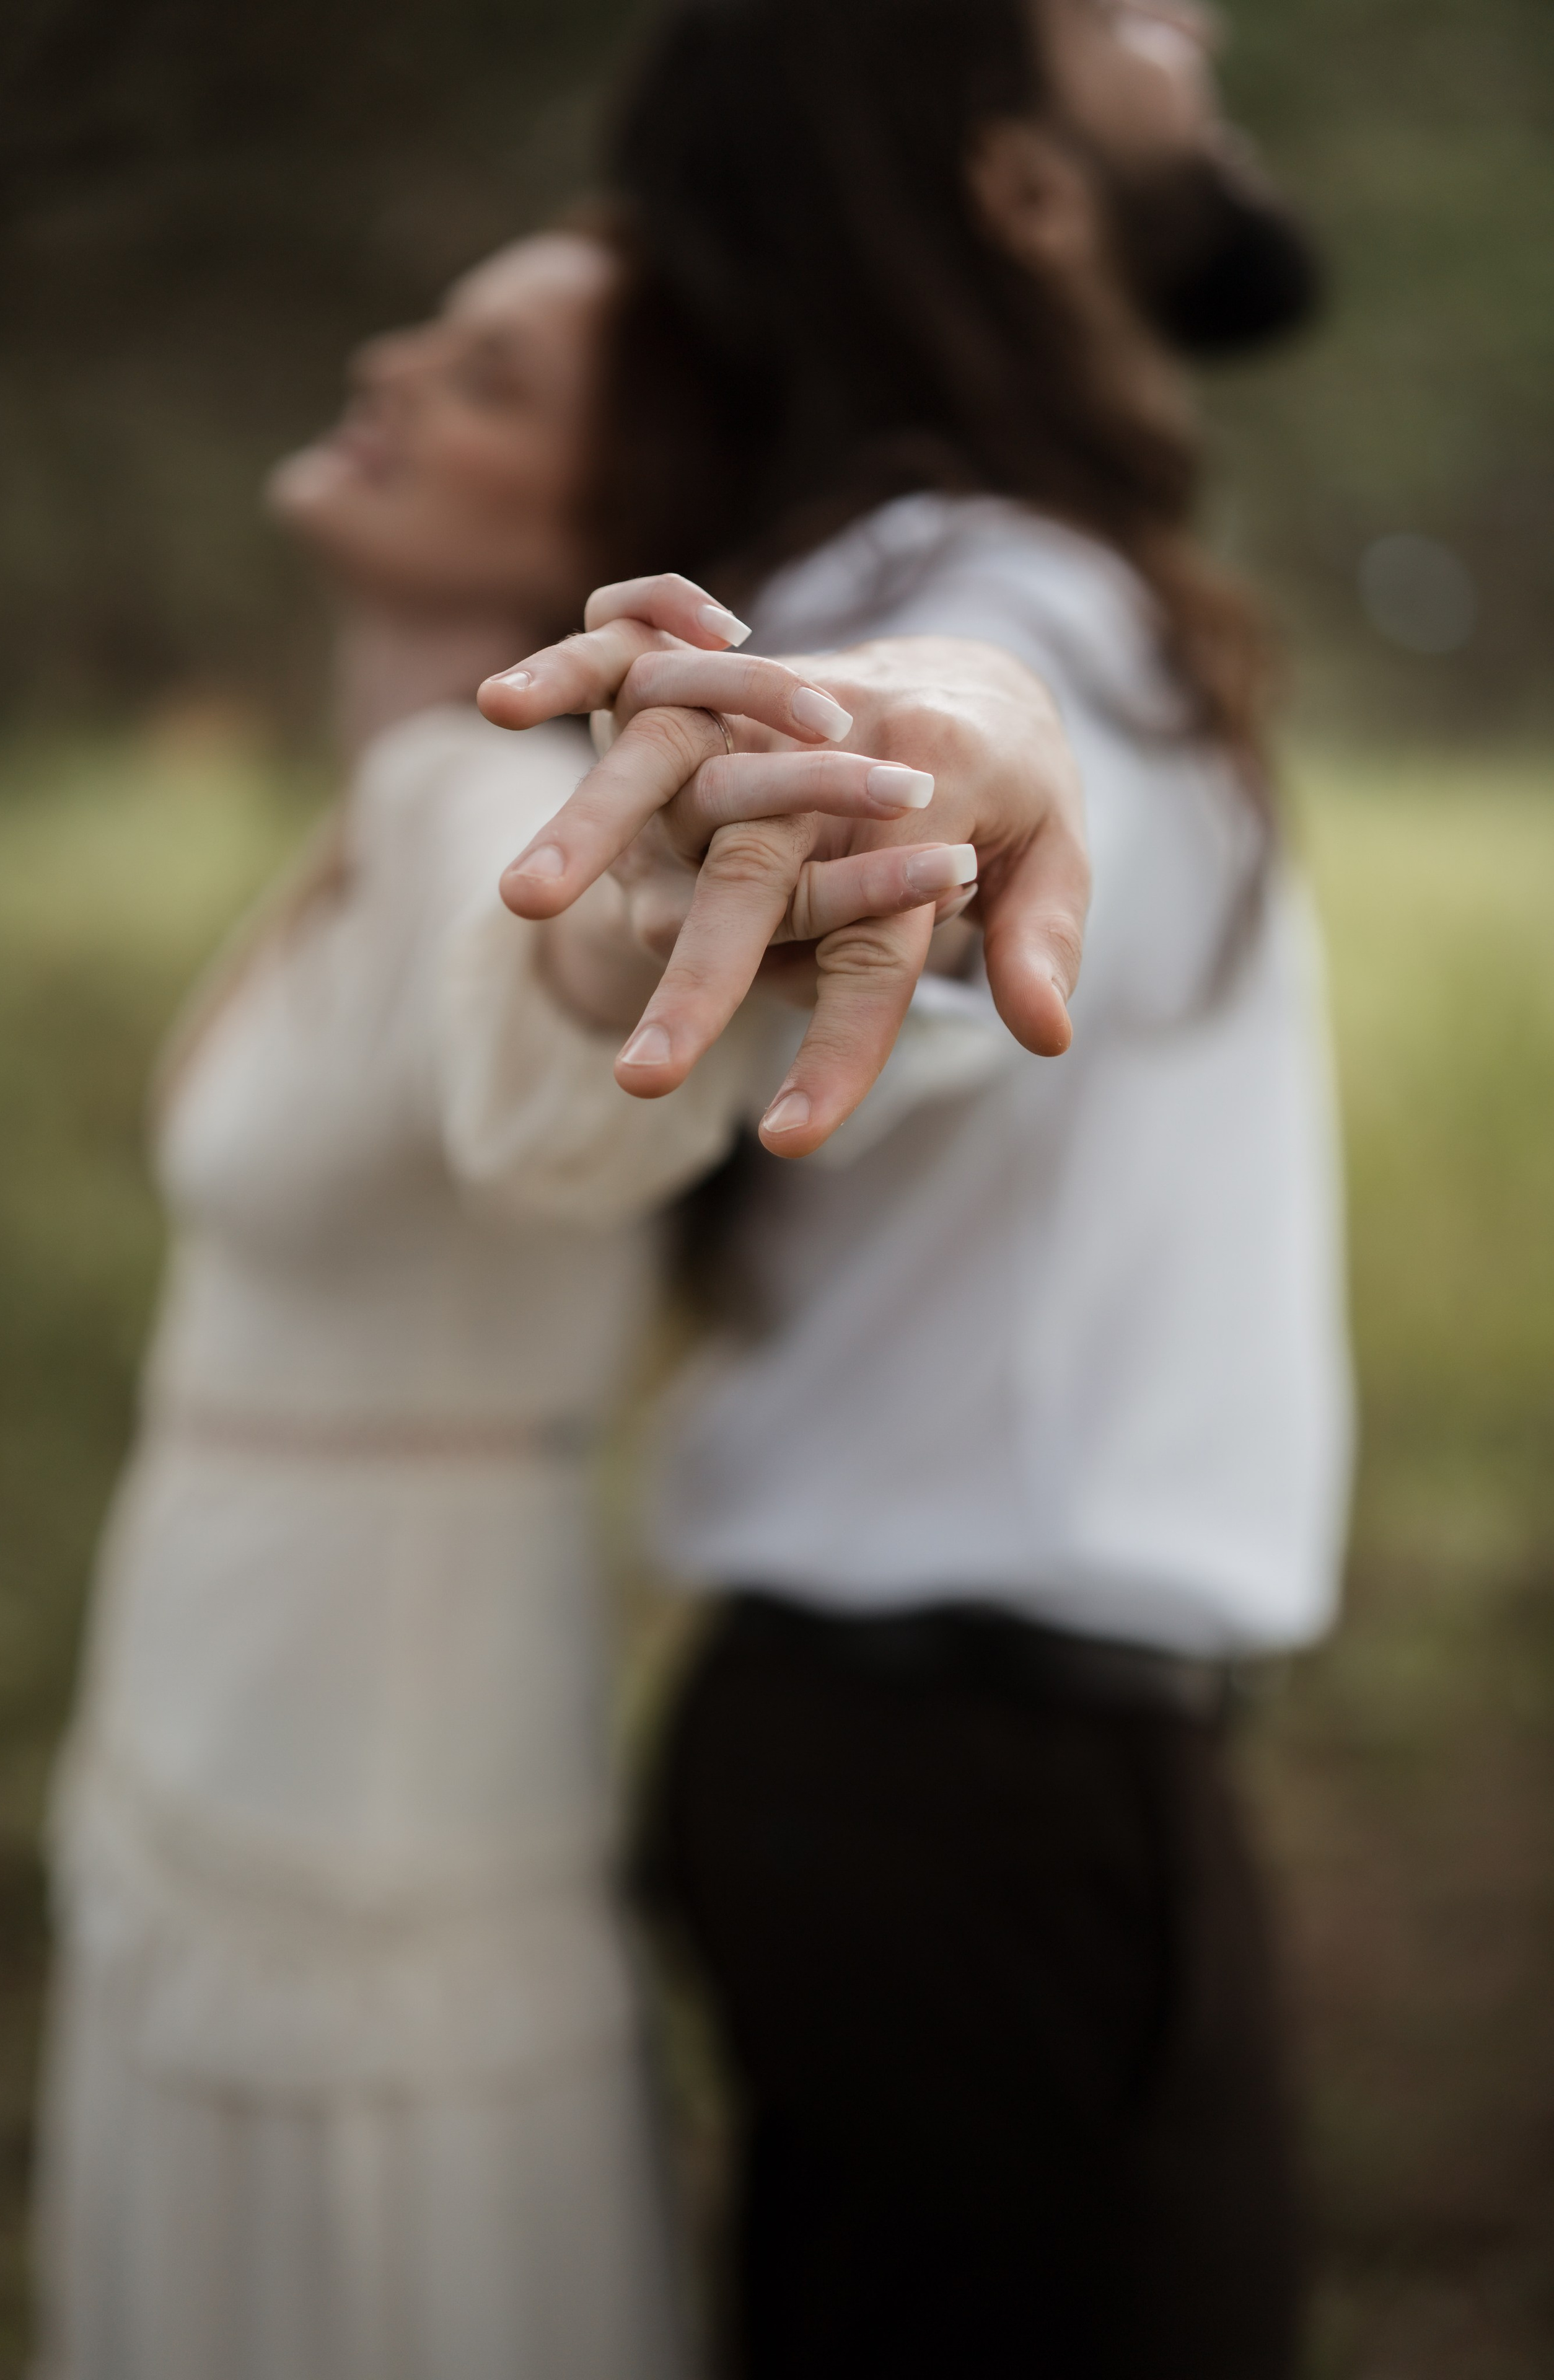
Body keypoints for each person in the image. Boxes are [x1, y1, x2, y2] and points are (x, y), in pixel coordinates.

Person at [32, 218, 1088, 2374]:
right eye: (432, 324)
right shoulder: (384, 802)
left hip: (377, 1789)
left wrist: (703, 923)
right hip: (220, 1717)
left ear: (616, 528)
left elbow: (571, 1013)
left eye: (494, 377)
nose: (395, 362)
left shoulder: (485, 806)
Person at [480, 2, 1353, 2374]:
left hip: (901, 1778)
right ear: (1026, 190)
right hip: (995, 1807)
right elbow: (949, 711)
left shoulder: (962, 564)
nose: (1200, 16)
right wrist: (925, 765)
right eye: (1125, 11)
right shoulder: (994, 591)